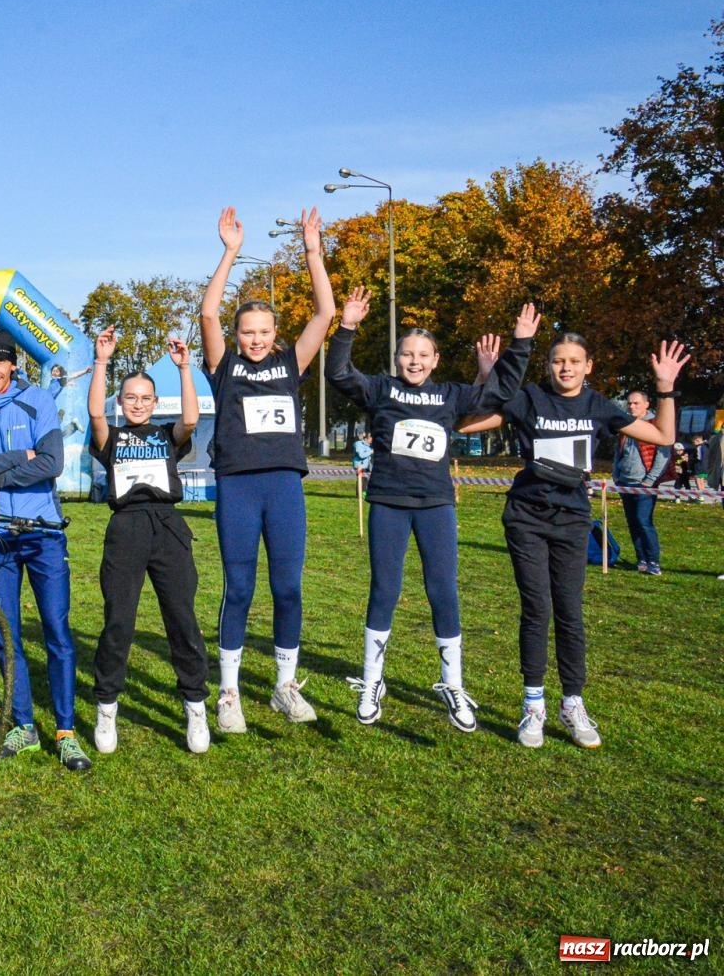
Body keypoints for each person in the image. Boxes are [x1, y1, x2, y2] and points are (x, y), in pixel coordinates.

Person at [459, 335, 688, 749]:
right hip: (526, 518)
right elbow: (468, 422)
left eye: (574, 361)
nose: (565, 367)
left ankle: (572, 703)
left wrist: (665, 387)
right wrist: (486, 376)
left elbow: (664, 436)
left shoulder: (598, 406)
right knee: (536, 609)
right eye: (558, 361)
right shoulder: (529, 399)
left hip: (571, 522)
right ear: (547, 366)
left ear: (589, 367)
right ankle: (533, 706)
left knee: (569, 611)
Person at [328, 287, 538, 731]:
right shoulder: (381, 389)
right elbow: (339, 373)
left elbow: (500, 390)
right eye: (407, 354)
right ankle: (372, 681)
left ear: (436, 359)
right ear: (396, 359)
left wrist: (520, 344)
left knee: (443, 591)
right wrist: (346, 327)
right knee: (385, 590)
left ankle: (452, 685)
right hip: (388, 503)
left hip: (436, 506)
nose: (415, 361)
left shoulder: (450, 395)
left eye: (423, 354)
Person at [199, 206, 335, 731]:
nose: (255, 339)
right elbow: (209, 314)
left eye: (263, 331)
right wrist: (230, 251)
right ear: (236, 337)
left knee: (288, 587)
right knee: (239, 586)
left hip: (283, 488)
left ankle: (284, 684)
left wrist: (311, 252)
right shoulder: (225, 367)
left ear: (275, 333)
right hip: (237, 487)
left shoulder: (289, 365)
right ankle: (228, 692)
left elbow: (323, 314)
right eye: (247, 332)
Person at [0, 325, 90, 772]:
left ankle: (66, 733)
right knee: (5, 637)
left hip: (42, 531)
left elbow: (51, 463)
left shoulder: (38, 401)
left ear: (13, 363)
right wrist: (18, 458)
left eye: (0, 361)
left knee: (57, 632)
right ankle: (23, 725)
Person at [87, 325, 210, 755]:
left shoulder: (164, 436)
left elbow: (191, 419)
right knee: (119, 621)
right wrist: (102, 361)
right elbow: (96, 417)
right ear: (121, 402)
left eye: (145, 398)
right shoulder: (112, 437)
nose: (138, 404)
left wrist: (185, 368)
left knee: (182, 620)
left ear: (155, 403)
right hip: (126, 529)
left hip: (169, 529)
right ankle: (107, 707)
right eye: (130, 398)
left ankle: (196, 705)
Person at [613, 391, 669, 575]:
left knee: (644, 522)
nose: (631, 407)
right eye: (629, 403)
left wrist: (650, 480)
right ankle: (641, 560)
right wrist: (616, 473)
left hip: (644, 484)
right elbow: (618, 452)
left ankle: (654, 562)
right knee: (633, 522)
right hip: (625, 482)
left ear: (646, 404)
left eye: (636, 403)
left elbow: (663, 456)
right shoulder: (626, 424)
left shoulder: (655, 425)